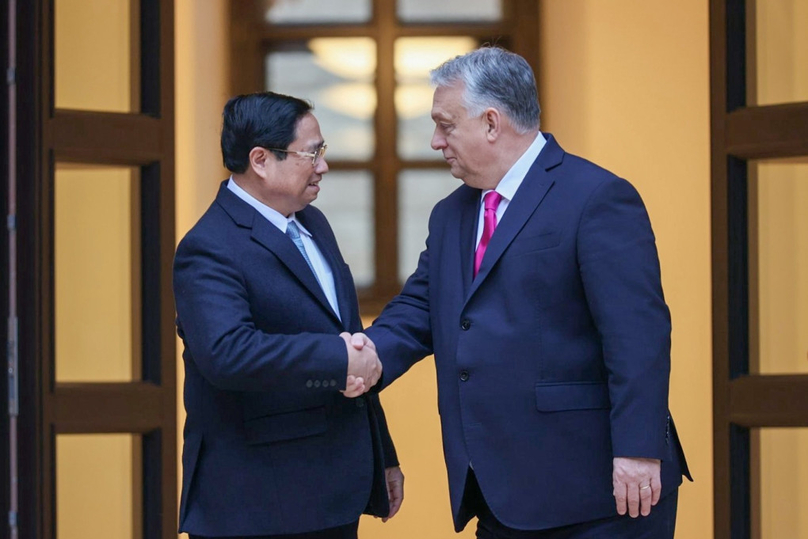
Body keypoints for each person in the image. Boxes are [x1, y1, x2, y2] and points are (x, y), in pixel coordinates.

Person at [359, 47, 691, 538]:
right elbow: (419, 309)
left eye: (446, 125)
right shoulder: (450, 215)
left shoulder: (596, 197)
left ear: (492, 123)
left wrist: (638, 450)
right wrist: (363, 357)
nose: (435, 141)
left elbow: (637, 334)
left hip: (599, 491)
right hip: (499, 490)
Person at [173, 91, 403, 539]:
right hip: (257, 501)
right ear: (260, 159)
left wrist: (383, 455)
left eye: (323, 150)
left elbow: (348, 335)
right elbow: (228, 353)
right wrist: (336, 360)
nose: (323, 165)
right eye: (311, 152)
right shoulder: (209, 247)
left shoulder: (313, 223)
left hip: (332, 489)